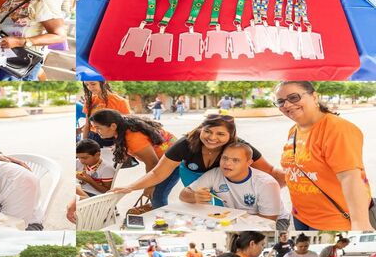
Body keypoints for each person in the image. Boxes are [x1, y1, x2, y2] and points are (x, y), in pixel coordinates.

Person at [112, 115, 284, 206]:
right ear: (201, 129)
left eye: (221, 134)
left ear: (231, 136)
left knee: (225, 204)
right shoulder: (185, 144)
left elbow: (270, 172)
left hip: (223, 178)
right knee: (197, 201)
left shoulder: (239, 147)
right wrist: (130, 187)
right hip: (191, 174)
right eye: (208, 131)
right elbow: (157, 173)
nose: (212, 138)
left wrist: (273, 197)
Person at [276, 81, 373, 231]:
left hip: (334, 220)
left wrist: (360, 224)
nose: (287, 105)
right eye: (280, 101)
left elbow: (350, 178)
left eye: (293, 97)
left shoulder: (337, 129)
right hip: (301, 216)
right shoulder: (294, 130)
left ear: (314, 97)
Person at [179, 142, 289, 230]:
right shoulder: (215, 174)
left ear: (249, 162)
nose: (227, 163)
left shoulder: (266, 183)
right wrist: (194, 196)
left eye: (235, 160)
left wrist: (235, 221)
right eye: (225, 158)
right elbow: (183, 195)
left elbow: (268, 221)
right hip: (235, 218)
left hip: (276, 220)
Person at [90, 109, 177, 208]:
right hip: (165, 160)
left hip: (174, 161)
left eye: (98, 128)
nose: (96, 132)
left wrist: (150, 185)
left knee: (156, 196)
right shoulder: (122, 127)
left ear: (113, 126)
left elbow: (152, 163)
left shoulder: (133, 138)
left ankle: (162, 221)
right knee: (156, 195)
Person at [0, 0, 66, 81]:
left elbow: (59, 36)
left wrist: (21, 41)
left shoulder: (43, 0)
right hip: (5, 54)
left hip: (22, 59)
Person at [81, 81, 131, 146]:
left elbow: (126, 127)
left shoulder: (120, 101)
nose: (90, 87)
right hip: (92, 137)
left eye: (93, 84)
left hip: (113, 140)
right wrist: (83, 144)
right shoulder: (89, 101)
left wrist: (121, 145)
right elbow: (87, 125)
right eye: (87, 85)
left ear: (103, 82)